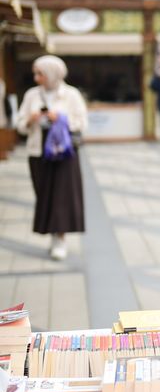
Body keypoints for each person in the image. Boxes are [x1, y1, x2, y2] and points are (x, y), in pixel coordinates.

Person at [15, 55, 88, 260]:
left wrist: (60, 119)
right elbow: (19, 124)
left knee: (62, 198)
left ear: (52, 74)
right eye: (35, 73)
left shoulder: (71, 95)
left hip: (63, 153)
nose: (36, 77)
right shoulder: (32, 95)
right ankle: (52, 236)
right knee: (44, 195)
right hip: (39, 152)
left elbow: (82, 123)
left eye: (40, 73)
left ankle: (60, 239)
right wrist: (31, 119)